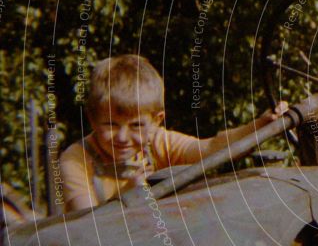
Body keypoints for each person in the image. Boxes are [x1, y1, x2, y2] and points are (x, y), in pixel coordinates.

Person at [60, 54, 285, 212]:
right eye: (111, 125)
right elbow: (88, 226)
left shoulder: (158, 142)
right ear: (91, 118)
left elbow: (210, 148)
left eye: (136, 126)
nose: (122, 137)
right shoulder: (77, 159)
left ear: (157, 121)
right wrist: (130, 196)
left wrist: (258, 125)